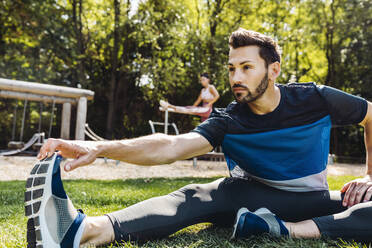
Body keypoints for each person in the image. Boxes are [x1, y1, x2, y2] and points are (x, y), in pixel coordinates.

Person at [30, 28, 372, 248]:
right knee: (198, 194)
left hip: (310, 200)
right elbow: (171, 146)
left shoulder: (316, 98)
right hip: (246, 198)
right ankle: (83, 231)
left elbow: (370, 114)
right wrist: (100, 147)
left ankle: (285, 230)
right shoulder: (228, 119)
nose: (235, 77)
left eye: (246, 68)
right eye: (231, 68)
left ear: (274, 70)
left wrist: (369, 175)